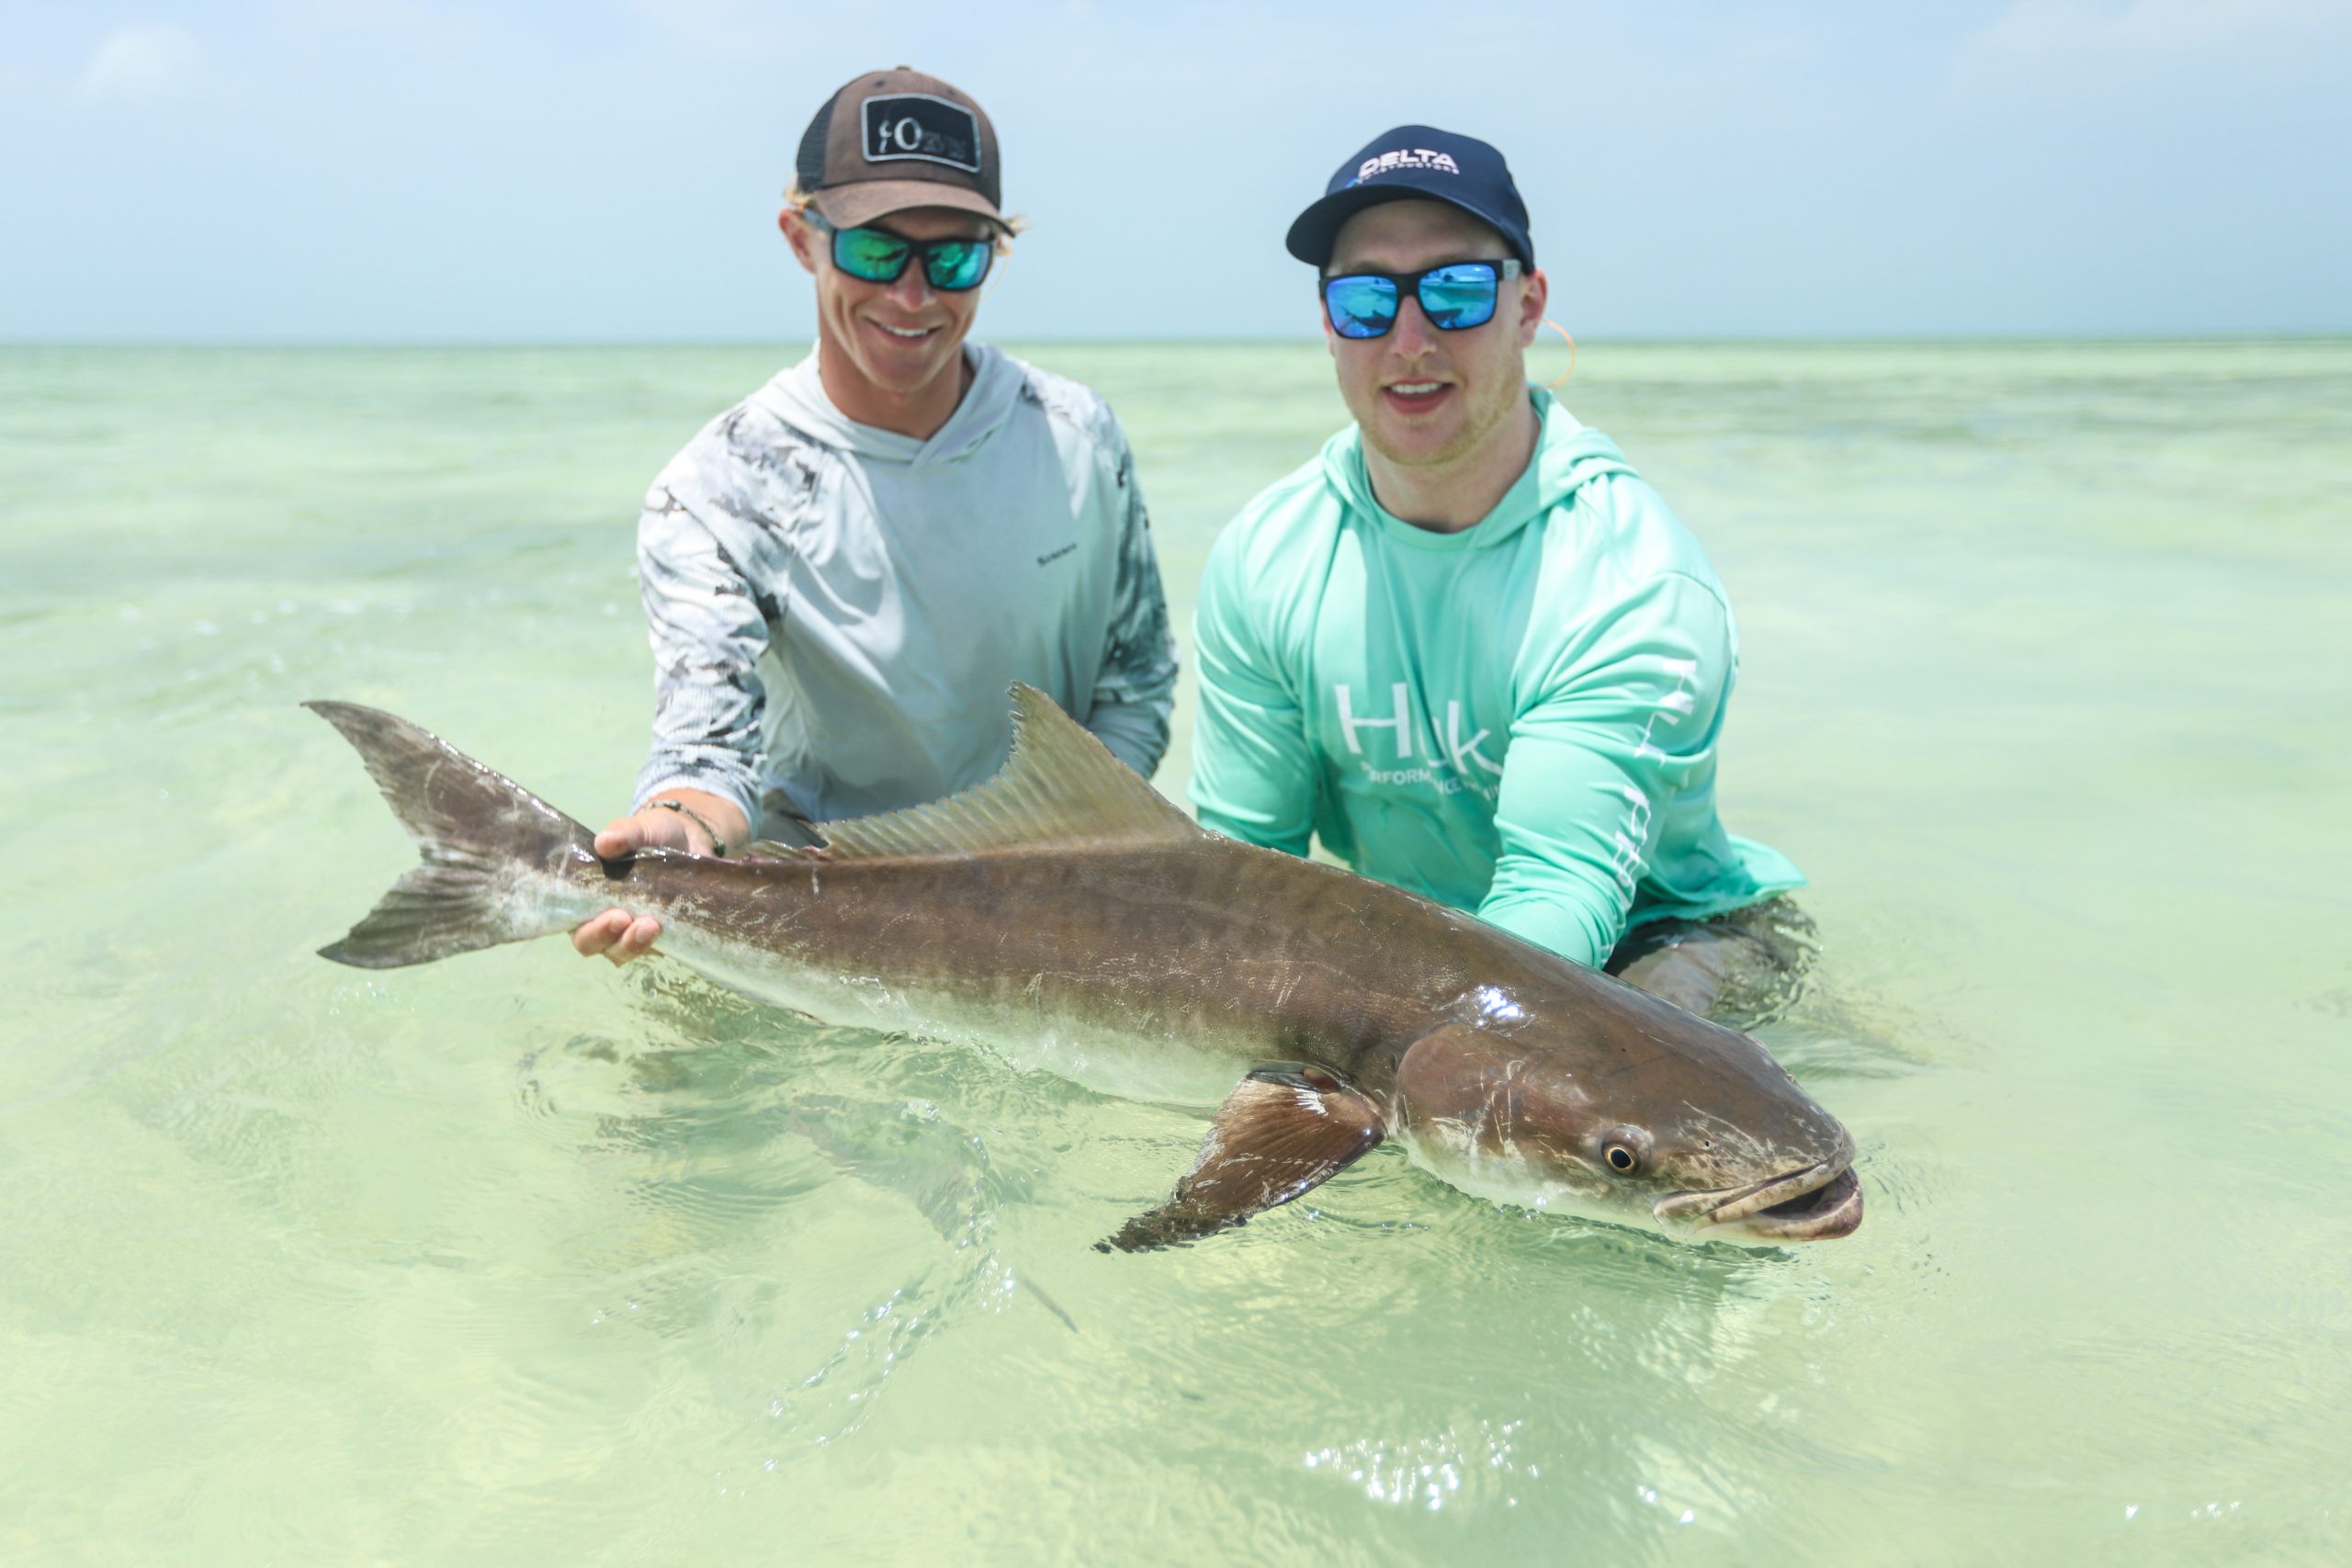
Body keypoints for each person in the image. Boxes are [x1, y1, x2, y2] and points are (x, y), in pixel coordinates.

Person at [1188, 126, 1807, 1023]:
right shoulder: (1265, 556)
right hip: (1425, 940)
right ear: (1328, 324)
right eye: (1365, 299)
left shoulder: (1630, 579)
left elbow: (1558, 893)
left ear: (1526, 305)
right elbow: (1244, 867)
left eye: (1454, 291)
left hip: (1664, 940)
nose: (1408, 339)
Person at [575, 67, 1178, 965]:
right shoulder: (715, 488)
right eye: (873, 250)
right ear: (801, 238)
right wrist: (679, 823)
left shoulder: (1077, 437)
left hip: (1045, 923)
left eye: (955, 257)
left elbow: (1135, 687)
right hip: (812, 924)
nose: (912, 295)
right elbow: (710, 750)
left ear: (994, 254)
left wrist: (1055, 864)